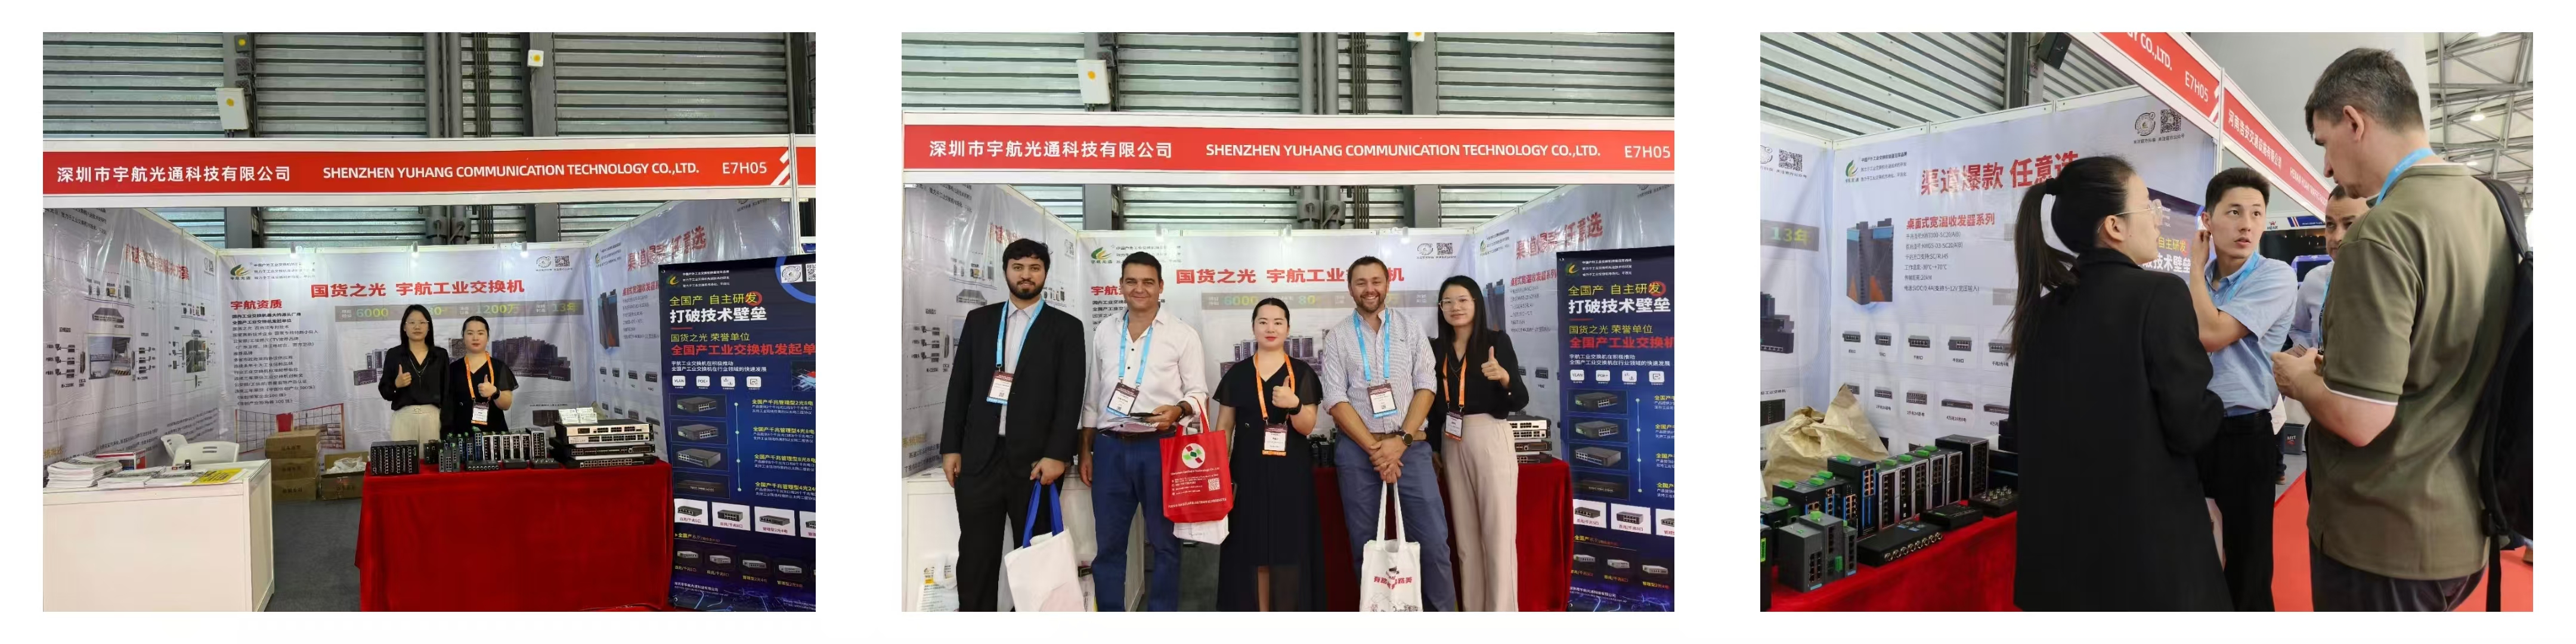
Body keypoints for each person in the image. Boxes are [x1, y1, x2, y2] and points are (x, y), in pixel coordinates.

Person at [2272, 47, 2513, 611]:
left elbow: (2361, 419)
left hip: (2382, 538)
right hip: (2461, 526)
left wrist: (2299, 379)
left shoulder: (2384, 231)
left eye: (2324, 143)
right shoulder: (2492, 207)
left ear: (2354, 122)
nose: (2327, 168)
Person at [2006, 154, 2227, 611]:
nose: (2157, 218)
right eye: (2148, 206)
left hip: (2060, 560)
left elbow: (2022, 429)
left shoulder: (2041, 311)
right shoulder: (2160, 295)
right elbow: (2191, 425)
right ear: (2114, 227)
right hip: (2145, 559)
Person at [940, 238, 1084, 612]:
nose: (1026, 275)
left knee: (1036, 557)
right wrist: (951, 447)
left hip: (1036, 463)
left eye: (1034, 268)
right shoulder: (980, 321)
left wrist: (1057, 455)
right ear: (1005, 271)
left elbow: (1070, 398)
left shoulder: (1066, 328)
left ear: (1045, 274)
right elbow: (960, 387)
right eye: (1018, 267)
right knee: (976, 555)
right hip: (980, 459)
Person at [2184, 167, 2299, 611]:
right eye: (2234, 212)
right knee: (2195, 552)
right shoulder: (2201, 281)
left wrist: (2194, 269)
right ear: (2208, 220)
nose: (2247, 224)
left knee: (2248, 563)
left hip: (2244, 434)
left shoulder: (2274, 276)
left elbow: (2212, 334)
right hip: (2192, 431)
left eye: (2256, 213)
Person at [1319, 256, 1456, 612]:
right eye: (1361, 283)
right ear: (1350, 288)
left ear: (1388, 284)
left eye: (1376, 281)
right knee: (1367, 547)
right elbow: (1335, 399)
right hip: (1358, 450)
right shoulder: (1337, 337)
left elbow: (1427, 387)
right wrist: (1376, 449)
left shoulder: (1411, 330)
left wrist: (1401, 442)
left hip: (1411, 446)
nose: (1370, 289)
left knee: (1433, 543)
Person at [1076, 252, 1206, 612]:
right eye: (1131, 281)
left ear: (1161, 286)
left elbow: (1199, 393)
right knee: (1109, 546)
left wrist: (1179, 410)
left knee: (1165, 544)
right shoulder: (1105, 330)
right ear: (1120, 285)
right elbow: (1092, 397)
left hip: (1161, 447)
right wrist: (1086, 449)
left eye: (1148, 282)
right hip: (1110, 448)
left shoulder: (1182, 334)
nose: (1139, 289)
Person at [1212, 298, 1325, 611]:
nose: (1270, 328)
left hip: (1291, 475)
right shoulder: (1237, 374)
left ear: (1288, 328)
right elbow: (1224, 428)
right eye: (1263, 322)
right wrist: (1218, 473)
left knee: (1288, 552)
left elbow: (1307, 426)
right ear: (1253, 327)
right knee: (1253, 551)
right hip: (1247, 474)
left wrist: (1295, 404)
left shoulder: (1302, 372)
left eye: (1278, 322)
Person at [1430, 275, 1530, 611]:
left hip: (1489, 434)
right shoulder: (1436, 348)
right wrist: (1434, 447)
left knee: (1497, 535)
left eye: (1463, 300)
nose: (1455, 307)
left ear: (1476, 303)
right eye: (1447, 302)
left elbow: (1520, 399)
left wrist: (1504, 377)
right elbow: (1433, 405)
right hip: (1451, 440)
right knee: (1466, 540)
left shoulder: (1496, 342)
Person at [2286, 185, 2373, 351]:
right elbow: (2298, 329)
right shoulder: (2314, 280)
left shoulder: (2395, 281)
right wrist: (2308, 356)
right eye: (2331, 224)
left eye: (2350, 224)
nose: (2337, 237)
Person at [378, 304, 449, 445]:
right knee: (405, 459)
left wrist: (447, 424)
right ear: (404, 327)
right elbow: (385, 392)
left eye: (422, 322)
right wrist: (396, 385)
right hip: (403, 418)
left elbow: (447, 392)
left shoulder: (440, 355)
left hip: (433, 418)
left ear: (429, 327)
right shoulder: (394, 354)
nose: (417, 327)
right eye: (412, 322)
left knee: (432, 459)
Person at [444, 315, 519, 438]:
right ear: (463, 337)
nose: (475, 338)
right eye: (470, 333)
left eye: (480, 333)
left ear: (487, 337)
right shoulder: (453, 369)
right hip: (462, 435)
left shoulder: (499, 367)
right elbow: (447, 407)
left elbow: (506, 405)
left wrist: (495, 392)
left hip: (494, 434)